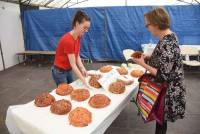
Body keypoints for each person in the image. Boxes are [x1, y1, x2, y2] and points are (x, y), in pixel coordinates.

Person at [132, 7, 186, 134]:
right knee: (161, 120)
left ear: (156, 24)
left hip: (168, 91)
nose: (147, 27)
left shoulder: (168, 43)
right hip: (168, 88)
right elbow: (165, 59)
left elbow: (163, 75)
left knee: (161, 121)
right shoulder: (168, 37)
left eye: (148, 25)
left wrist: (142, 63)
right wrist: (149, 57)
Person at [52, 10, 91, 87]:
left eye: (88, 28)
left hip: (68, 69)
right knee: (64, 92)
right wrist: (84, 81)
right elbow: (73, 65)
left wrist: (82, 68)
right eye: (85, 27)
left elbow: (77, 55)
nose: (86, 31)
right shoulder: (68, 40)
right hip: (60, 71)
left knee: (72, 88)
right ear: (77, 24)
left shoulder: (79, 36)